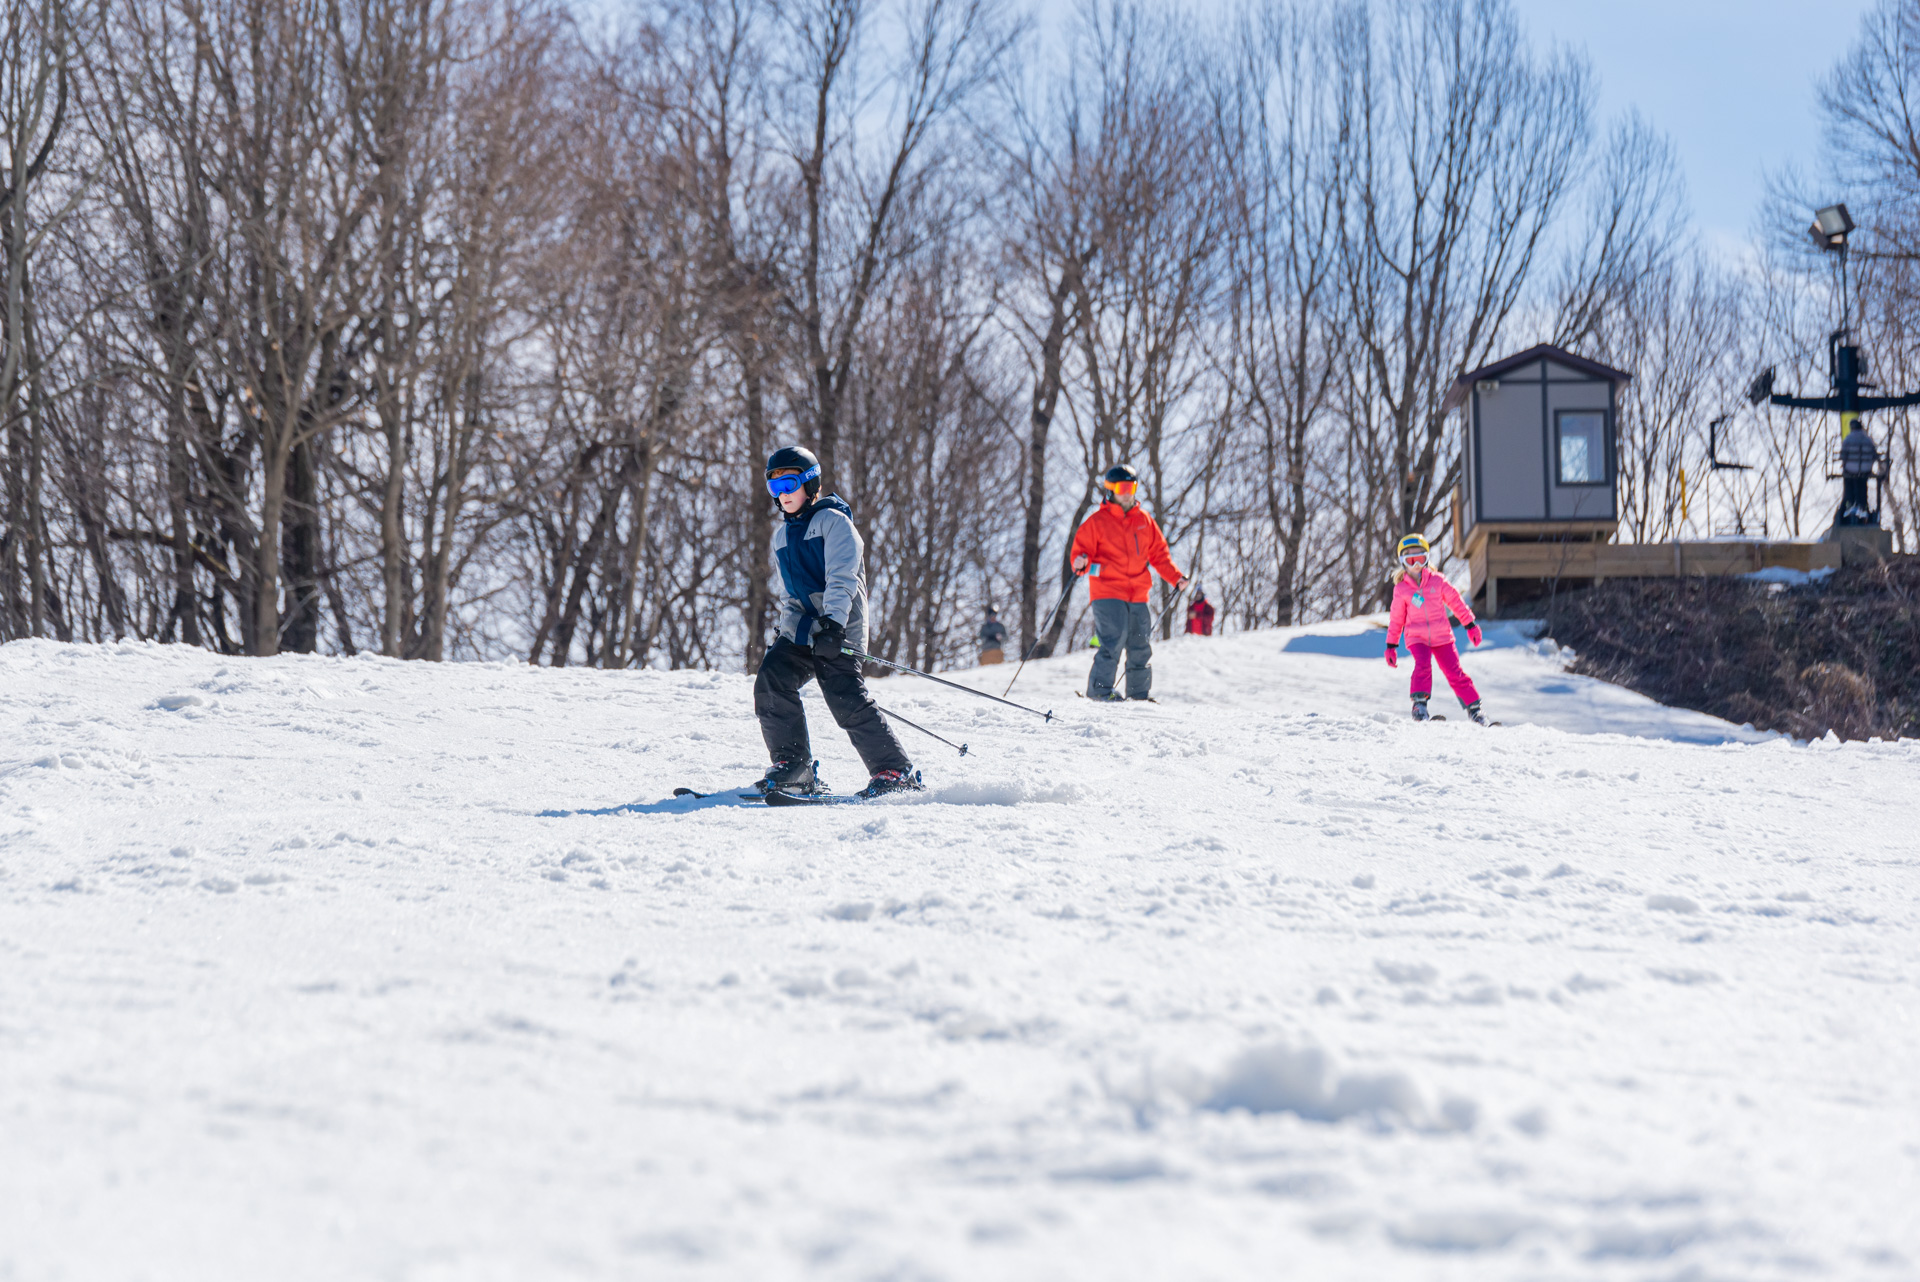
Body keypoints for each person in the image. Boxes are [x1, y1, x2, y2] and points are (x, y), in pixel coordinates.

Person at [754, 446, 920, 797]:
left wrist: (833, 625)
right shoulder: (781, 536)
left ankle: (895, 771)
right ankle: (793, 767)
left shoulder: (834, 523)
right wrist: (788, 633)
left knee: (843, 695)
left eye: (790, 484)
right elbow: (794, 597)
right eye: (774, 488)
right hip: (806, 631)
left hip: (840, 628)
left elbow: (842, 578)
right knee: (772, 678)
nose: (783, 495)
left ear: (810, 484)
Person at [1070, 463, 1186, 701]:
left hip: (1138, 594)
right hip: (1107, 591)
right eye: (1123, 487)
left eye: (1132, 486)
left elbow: (1159, 555)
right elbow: (1080, 553)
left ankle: (1138, 694)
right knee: (1113, 641)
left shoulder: (1144, 521)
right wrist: (1080, 561)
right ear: (1111, 489)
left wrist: (1176, 577)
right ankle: (1100, 691)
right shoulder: (1097, 522)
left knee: (1140, 645)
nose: (1128, 492)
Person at [1384, 533, 1489, 724]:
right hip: (1417, 638)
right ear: (1403, 562)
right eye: (1411, 560)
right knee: (1423, 665)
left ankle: (1475, 710)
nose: (1416, 564)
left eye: (1421, 559)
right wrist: (1391, 645)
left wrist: (1470, 625)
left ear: (1427, 559)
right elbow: (1396, 619)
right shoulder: (1401, 590)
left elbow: (1457, 603)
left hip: (1442, 637)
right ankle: (1419, 707)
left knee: (1455, 672)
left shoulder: (1438, 581)